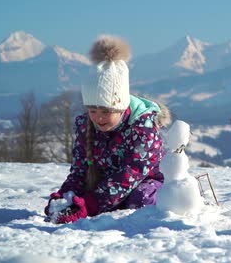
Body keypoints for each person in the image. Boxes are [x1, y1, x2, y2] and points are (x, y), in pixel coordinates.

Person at [44, 35, 170, 224]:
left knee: (139, 199)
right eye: (92, 110)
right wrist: (65, 197)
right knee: (84, 196)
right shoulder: (85, 126)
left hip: (145, 184)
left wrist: (91, 205)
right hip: (104, 187)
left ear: (120, 107)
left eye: (106, 110)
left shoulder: (143, 129)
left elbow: (130, 174)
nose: (98, 117)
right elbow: (80, 170)